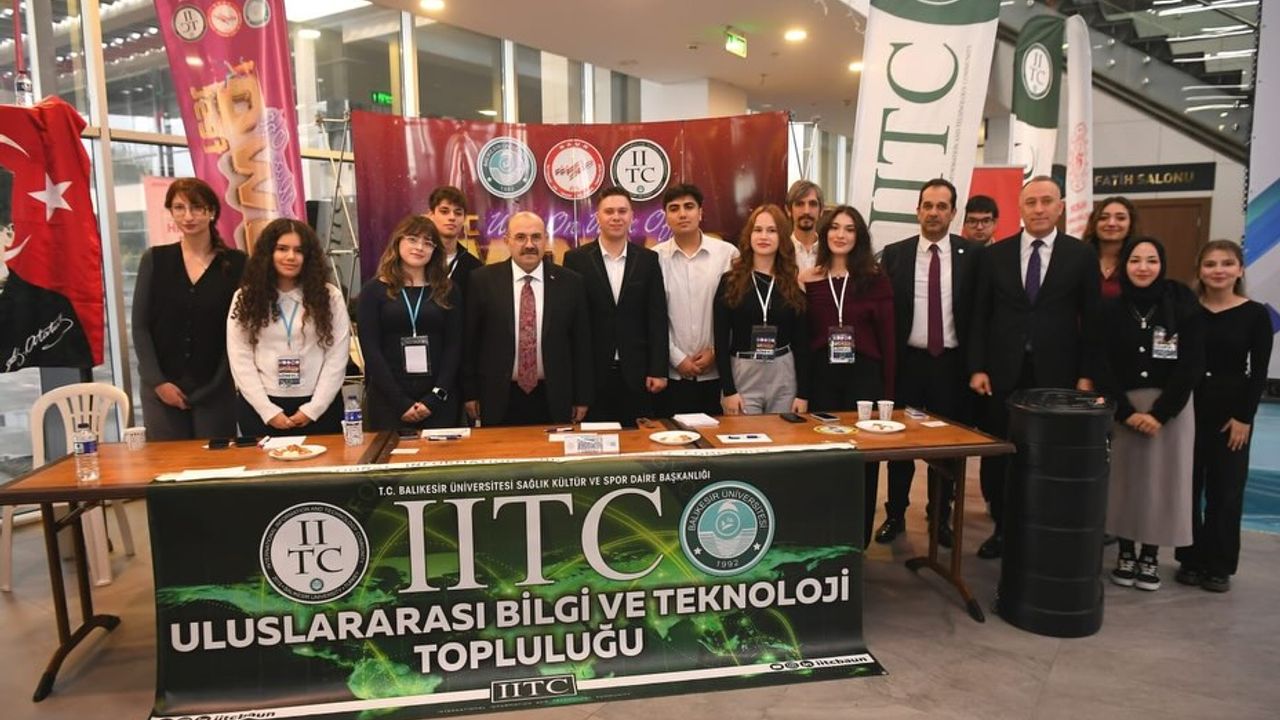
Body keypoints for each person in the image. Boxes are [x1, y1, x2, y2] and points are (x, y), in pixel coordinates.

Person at [968, 175, 1100, 559]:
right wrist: (977, 368)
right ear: (1020, 208)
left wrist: (1087, 374)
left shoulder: (1081, 255)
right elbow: (979, 317)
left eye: (1046, 201)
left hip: (1058, 375)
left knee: (1051, 456)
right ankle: (1002, 529)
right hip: (1001, 375)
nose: (1039, 209)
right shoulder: (994, 256)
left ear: (1061, 207)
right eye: (1031, 202)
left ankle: (1043, 533)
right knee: (999, 455)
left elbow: (1093, 320)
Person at [1097, 237, 1203, 592]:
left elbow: (1191, 364)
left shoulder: (1181, 305)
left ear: (1162, 265)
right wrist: (1126, 412)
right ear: (1124, 266)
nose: (1143, 267)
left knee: (1162, 482)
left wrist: (1161, 414)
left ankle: (1151, 556)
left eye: (1151, 260)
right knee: (1126, 482)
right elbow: (1102, 363)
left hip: (1170, 410)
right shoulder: (1111, 309)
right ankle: (1126, 552)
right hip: (1124, 408)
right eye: (1135, 260)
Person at [878, 178, 979, 548]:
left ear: (953, 212)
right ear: (917, 210)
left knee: (945, 446)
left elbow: (979, 315)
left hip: (950, 367)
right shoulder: (895, 254)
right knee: (899, 446)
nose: (934, 213)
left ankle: (940, 518)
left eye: (942, 206)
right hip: (908, 364)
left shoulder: (973, 256)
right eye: (928, 206)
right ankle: (895, 514)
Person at [1175, 240, 1273, 593]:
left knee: (1226, 490)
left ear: (1240, 269)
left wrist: (1244, 417)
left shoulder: (1256, 315)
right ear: (1200, 270)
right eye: (1210, 264)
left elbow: (1258, 372)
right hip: (1188, 408)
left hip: (1232, 412)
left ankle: (1219, 565)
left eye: (1227, 263)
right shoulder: (1186, 311)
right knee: (1188, 487)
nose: (1218, 270)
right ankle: (1190, 558)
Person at [800, 205, 895, 548]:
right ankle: (824, 537)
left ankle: (858, 541)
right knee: (823, 457)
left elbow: (888, 340)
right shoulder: (808, 278)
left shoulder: (875, 279)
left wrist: (889, 394)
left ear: (860, 237)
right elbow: (803, 338)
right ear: (825, 233)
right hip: (822, 378)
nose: (841, 235)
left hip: (863, 379)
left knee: (861, 460)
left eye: (850, 229)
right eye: (835, 227)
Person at [132, 178, 247, 440]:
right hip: (161, 390)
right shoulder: (154, 260)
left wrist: (216, 385)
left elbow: (239, 331)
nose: (188, 216)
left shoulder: (237, 263)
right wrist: (158, 382)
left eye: (196, 207)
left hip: (216, 389)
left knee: (216, 461)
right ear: (171, 212)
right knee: (167, 463)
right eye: (179, 208)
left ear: (211, 211)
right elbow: (140, 327)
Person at [463, 211, 592, 427]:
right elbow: (470, 342)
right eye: (521, 237)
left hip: (554, 396)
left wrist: (582, 397)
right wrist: (470, 393)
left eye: (536, 237)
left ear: (545, 239)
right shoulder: (482, 280)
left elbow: (581, 345)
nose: (529, 245)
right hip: (497, 396)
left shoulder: (571, 282)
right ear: (507, 241)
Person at [227, 219, 351, 437]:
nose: (291, 257)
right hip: (261, 409)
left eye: (298, 250)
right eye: (282, 249)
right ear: (268, 253)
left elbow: (337, 356)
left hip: (320, 408)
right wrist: (267, 411)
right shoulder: (245, 297)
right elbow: (240, 357)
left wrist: (314, 408)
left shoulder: (330, 296)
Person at [563, 187, 668, 427]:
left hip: (638, 374)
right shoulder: (576, 260)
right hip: (592, 374)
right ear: (597, 217)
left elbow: (657, 317)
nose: (616, 217)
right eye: (609, 211)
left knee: (639, 442)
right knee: (595, 441)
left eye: (622, 211)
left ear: (632, 216)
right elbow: (571, 323)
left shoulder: (648, 260)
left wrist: (658, 369)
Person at [357, 214, 462, 432]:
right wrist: (400, 401)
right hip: (388, 400)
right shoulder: (373, 291)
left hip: (438, 402)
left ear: (435, 250)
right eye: (413, 239)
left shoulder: (448, 290)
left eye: (428, 242)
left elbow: (454, 346)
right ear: (398, 241)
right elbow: (371, 350)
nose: (419, 247)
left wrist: (435, 397)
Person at [713, 204, 809, 416]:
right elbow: (720, 340)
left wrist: (803, 393)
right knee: (746, 436)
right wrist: (729, 390)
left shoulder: (793, 284)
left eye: (772, 230)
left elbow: (802, 343)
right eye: (758, 230)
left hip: (783, 373)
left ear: (782, 237)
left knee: (783, 434)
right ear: (749, 235)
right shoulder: (730, 282)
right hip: (744, 372)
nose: (764, 236)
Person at [654, 183, 740, 417]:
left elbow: (737, 313)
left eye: (689, 207)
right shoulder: (654, 258)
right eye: (674, 208)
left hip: (719, 373)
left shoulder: (728, 255)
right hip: (672, 375)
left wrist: (716, 349)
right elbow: (652, 317)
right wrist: (677, 358)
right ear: (665, 216)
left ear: (701, 212)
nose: (682, 214)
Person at [424, 186, 483, 298]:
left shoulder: (475, 267)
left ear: (464, 219)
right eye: (444, 211)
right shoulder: (418, 259)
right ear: (431, 215)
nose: (452, 217)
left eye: (458, 213)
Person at [1083, 196, 1138, 300]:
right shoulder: (1079, 259)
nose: (1111, 223)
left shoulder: (1139, 263)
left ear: (1131, 224)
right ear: (1094, 223)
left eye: (1120, 218)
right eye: (1103, 218)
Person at [786, 180, 824, 274]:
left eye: (812, 204)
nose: (806, 211)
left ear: (821, 210)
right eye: (799, 204)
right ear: (788, 210)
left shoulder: (830, 252)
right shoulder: (781, 251)